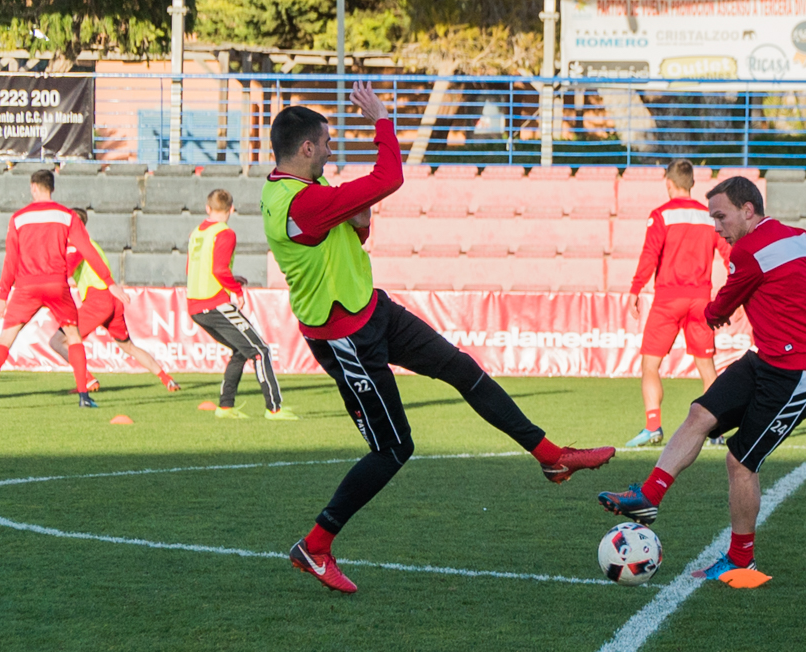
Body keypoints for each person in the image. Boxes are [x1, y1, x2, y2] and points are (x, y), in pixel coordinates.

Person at [261, 81, 616, 594]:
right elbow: (390, 177)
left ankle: (551, 455)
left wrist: (359, 219)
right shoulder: (300, 202)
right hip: (346, 338)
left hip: (372, 310)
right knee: (393, 449)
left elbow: (353, 231)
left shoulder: (304, 192)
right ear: (307, 147)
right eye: (328, 143)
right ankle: (315, 546)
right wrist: (381, 118)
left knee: (462, 368)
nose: (332, 150)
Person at [598, 177, 806, 588]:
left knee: (740, 462)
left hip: (796, 375)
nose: (717, 227)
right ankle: (648, 496)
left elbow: (723, 305)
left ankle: (740, 561)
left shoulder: (747, 251)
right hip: (764, 359)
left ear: (748, 210)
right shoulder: (798, 238)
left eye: (721, 216)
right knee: (700, 413)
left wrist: (712, 314)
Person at [0, 169, 129, 407]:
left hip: (26, 286)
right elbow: (88, 250)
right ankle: (84, 396)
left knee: (6, 338)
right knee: (73, 337)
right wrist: (110, 283)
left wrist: (3, 296)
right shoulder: (67, 216)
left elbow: (10, 260)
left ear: (33, 187)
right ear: (52, 188)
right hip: (56, 285)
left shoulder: (18, 218)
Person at [625, 159, 732, 448]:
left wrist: (635, 290)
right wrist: (733, 293)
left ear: (669, 184)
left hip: (668, 299)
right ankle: (716, 430)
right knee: (706, 366)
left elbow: (650, 255)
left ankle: (652, 427)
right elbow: (729, 254)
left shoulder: (661, 215)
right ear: (692, 183)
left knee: (650, 365)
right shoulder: (709, 217)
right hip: (700, 300)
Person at [187, 189, 296, 420]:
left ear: (208, 208)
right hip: (214, 302)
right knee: (260, 350)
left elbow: (195, 268)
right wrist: (236, 291)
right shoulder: (225, 233)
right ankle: (274, 408)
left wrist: (231, 278)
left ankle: (225, 406)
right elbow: (219, 269)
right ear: (232, 209)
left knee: (241, 350)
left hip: (195, 305)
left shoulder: (196, 233)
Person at [47, 208, 180, 393]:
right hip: (112, 299)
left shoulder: (76, 244)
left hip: (98, 300)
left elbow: (66, 272)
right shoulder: (91, 243)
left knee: (58, 341)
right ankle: (167, 379)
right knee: (128, 346)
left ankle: (87, 380)